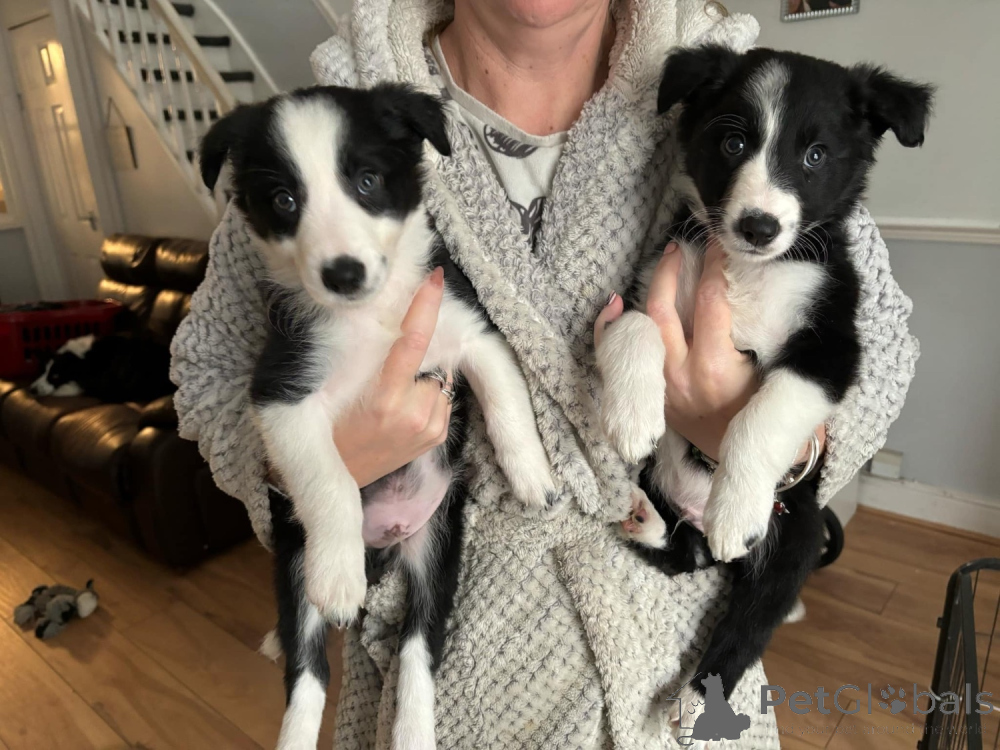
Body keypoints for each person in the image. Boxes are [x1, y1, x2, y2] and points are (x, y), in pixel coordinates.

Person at [170, 0, 918, 747]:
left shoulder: (736, 85)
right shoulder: (326, 125)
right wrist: (310, 473)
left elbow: (879, 352)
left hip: (677, 653)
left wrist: (761, 445)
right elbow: (206, 372)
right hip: (436, 654)